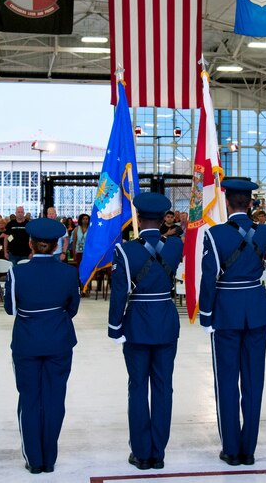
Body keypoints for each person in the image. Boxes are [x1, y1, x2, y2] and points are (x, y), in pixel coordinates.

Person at [198, 179, 266, 466]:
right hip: (255, 308)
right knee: (254, 381)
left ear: (227, 203)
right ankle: (249, 449)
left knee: (227, 381)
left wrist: (207, 314)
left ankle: (231, 449)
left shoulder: (214, 235)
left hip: (226, 310)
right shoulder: (264, 232)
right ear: (251, 203)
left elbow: (209, 278)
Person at [109, 192, 182, 471]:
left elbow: (119, 294)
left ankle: (141, 453)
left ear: (138, 218)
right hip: (165, 319)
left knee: (138, 387)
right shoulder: (174, 246)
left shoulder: (125, 250)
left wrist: (115, 327)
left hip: (138, 322)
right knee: (163, 387)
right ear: (164, 219)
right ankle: (158, 452)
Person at [4, 218, 80, 474]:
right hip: (59, 341)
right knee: (55, 398)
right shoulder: (69, 272)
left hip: (27, 342)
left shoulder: (17, 272)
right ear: (58, 245)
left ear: (31, 244)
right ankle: (49, 457)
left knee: (29, 398)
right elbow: (72, 309)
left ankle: (34, 459)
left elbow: (10, 309)